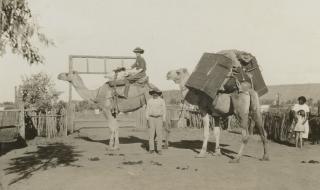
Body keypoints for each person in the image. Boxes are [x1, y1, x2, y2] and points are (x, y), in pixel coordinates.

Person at [146, 88, 166, 155]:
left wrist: (164, 120)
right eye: (153, 93)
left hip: (159, 118)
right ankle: (151, 149)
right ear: (152, 94)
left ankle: (159, 149)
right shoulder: (149, 101)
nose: (155, 94)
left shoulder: (162, 101)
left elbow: (164, 111)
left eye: (156, 93)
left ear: (158, 94)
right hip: (151, 118)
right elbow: (147, 110)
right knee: (151, 134)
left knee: (159, 134)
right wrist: (147, 119)